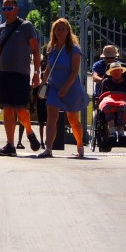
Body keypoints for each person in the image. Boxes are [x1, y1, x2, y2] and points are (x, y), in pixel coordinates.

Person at [0, 0, 41, 155]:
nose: (7, 11)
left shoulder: (26, 26)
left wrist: (36, 73)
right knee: (7, 108)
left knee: (21, 109)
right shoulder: (0, 29)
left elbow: (35, 50)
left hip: (21, 74)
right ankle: (10, 145)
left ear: (17, 9)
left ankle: (28, 130)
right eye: (4, 9)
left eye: (10, 8)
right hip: (5, 74)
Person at [37, 18, 89, 158]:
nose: (60, 32)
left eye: (63, 29)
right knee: (51, 118)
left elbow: (74, 71)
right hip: (54, 87)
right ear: (53, 31)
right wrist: (42, 83)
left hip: (71, 88)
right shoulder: (51, 48)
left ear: (68, 31)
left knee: (73, 119)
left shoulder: (74, 49)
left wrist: (66, 87)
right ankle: (48, 148)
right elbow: (48, 68)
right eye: (57, 29)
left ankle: (79, 146)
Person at [97, 61, 126, 142]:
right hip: (110, 102)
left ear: (122, 72)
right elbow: (101, 96)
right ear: (110, 73)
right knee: (109, 104)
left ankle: (121, 133)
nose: (116, 72)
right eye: (114, 71)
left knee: (121, 106)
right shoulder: (106, 82)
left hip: (123, 102)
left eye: (118, 70)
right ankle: (112, 133)